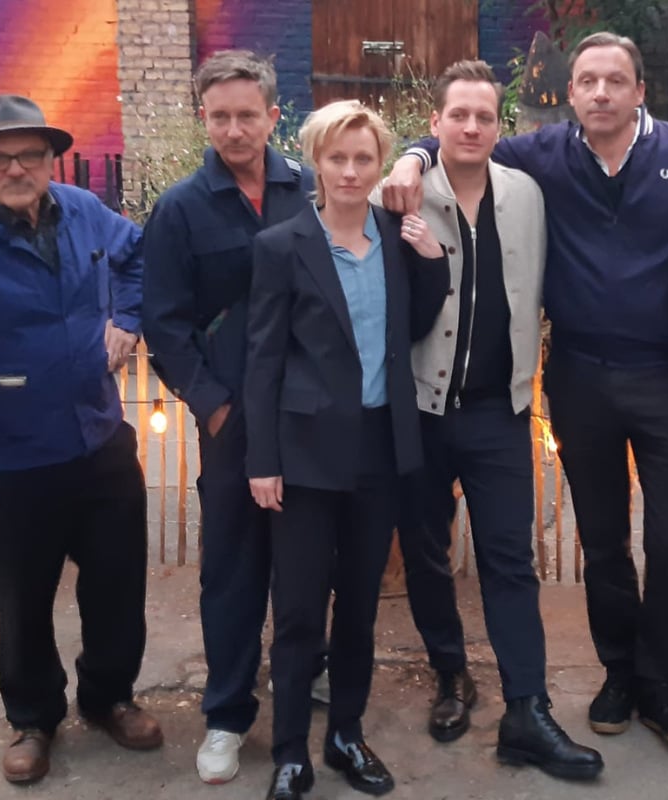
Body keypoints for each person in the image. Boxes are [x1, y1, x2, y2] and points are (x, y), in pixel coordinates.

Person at [382, 31, 668, 745]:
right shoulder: (540, 156)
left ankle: (659, 680)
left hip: (664, 378)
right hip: (579, 377)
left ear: (640, 91)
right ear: (570, 92)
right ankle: (618, 673)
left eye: (615, 80)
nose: (601, 92)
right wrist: (412, 155)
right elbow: (460, 141)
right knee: (602, 540)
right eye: (588, 81)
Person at [0, 94, 163, 784]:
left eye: (29, 155)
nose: (16, 168)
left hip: (100, 440)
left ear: (51, 160)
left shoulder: (85, 212)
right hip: (10, 461)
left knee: (116, 586)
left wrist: (127, 317)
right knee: (23, 602)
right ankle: (33, 718)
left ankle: (109, 697)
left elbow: (139, 255)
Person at [389, 59, 603, 781]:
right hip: (420, 408)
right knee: (426, 553)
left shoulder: (526, 194)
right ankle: (451, 675)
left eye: (485, 116)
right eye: (458, 115)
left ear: (498, 125)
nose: (472, 127)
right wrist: (409, 159)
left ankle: (527, 709)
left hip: (499, 411)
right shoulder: (405, 193)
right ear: (436, 123)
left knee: (510, 560)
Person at [245, 100, 449, 800]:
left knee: (359, 606)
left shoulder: (394, 237)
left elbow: (415, 325)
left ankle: (346, 736)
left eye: (364, 158)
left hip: (379, 448)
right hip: (303, 456)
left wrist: (433, 262)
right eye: (337, 158)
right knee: (300, 610)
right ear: (316, 162)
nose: (351, 172)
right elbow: (262, 360)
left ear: (380, 163)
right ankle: (290, 752)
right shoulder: (282, 246)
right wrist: (262, 460)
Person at [140, 50, 323, 785]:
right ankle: (226, 714)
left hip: (309, 414)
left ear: (274, 116)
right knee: (233, 572)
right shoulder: (181, 208)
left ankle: (304, 683)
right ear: (203, 119)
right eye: (220, 117)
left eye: (248, 115)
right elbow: (164, 323)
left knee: (307, 566)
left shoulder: (309, 190)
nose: (235, 129)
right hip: (233, 418)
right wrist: (213, 408)